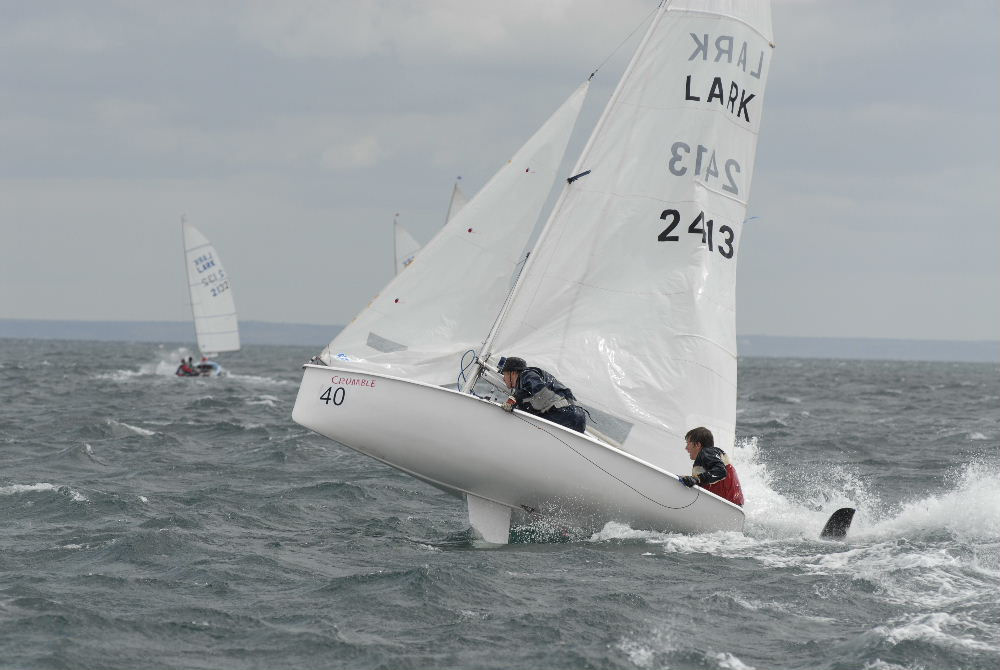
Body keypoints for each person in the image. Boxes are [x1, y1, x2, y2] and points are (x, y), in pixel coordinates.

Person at [497, 356, 586, 433]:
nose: (503, 379)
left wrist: (513, 399)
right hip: (575, 415)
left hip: (565, 415)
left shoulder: (526, 374)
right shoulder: (526, 381)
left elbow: (536, 388)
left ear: (512, 373)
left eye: (504, 374)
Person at [678, 426, 745, 506]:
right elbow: (710, 480)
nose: (686, 448)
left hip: (726, 506)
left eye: (688, 443)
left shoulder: (707, 452)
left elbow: (721, 471)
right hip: (733, 507)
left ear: (697, 445)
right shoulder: (712, 455)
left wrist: (696, 479)